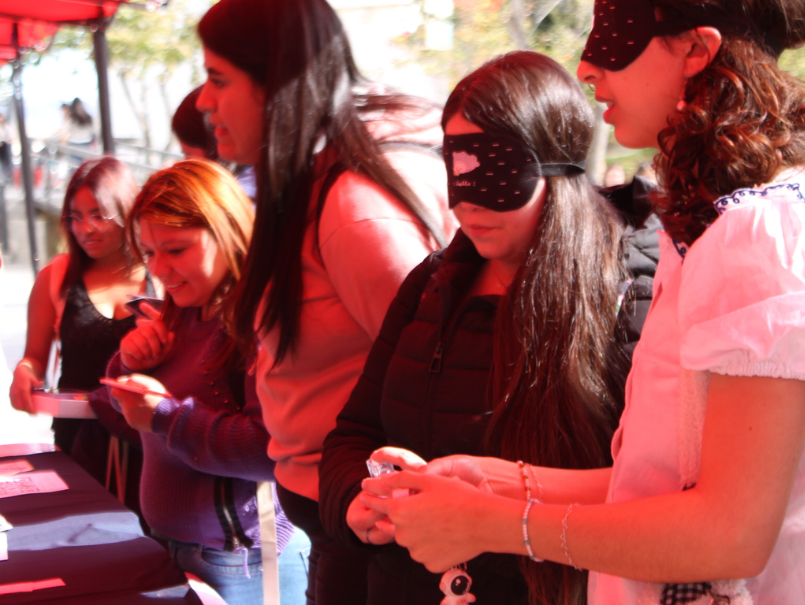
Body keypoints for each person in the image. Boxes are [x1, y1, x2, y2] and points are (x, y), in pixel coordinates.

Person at [360, 1, 805, 604]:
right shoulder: (717, 228)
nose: (588, 66)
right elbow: (664, 484)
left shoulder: (757, 235)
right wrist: (501, 483)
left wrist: (493, 525)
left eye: (615, 34)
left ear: (697, 51)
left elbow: (730, 534)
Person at [319, 50, 625, 605]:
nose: (469, 203)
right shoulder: (432, 286)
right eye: (458, 168)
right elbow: (353, 432)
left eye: (498, 171)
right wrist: (355, 502)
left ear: (554, 166)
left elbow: (653, 487)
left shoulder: (626, 292)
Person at [195, 1, 455, 603]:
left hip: (369, 521)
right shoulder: (310, 187)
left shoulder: (352, 210)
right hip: (335, 510)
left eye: (218, 79)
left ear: (277, 83)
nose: (206, 102)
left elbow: (435, 377)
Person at [103, 159, 294, 605]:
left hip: (239, 557)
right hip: (177, 546)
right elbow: (122, 403)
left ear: (226, 232)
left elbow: (273, 448)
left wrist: (167, 417)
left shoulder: (257, 325)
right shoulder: (182, 310)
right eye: (149, 253)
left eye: (176, 249)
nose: (161, 269)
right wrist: (126, 364)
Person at [9, 157, 146, 486]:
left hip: (148, 438)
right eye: (75, 217)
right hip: (78, 438)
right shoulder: (55, 278)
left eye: (100, 215)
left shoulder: (162, 275)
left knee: (149, 534)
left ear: (127, 211)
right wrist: (23, 374)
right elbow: (35, 360)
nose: (86, 229)